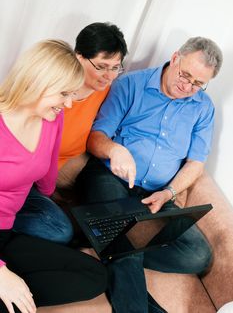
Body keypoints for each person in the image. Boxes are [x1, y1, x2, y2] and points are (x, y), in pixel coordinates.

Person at [75, 36, 223, 312]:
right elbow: (96, 138)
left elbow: (196, 163)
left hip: (156, 195)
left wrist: (169, 193)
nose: (187, 86)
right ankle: (115, 244)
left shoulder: (203, 107)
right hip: (110, 179)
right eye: (185, 75)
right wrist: (114, 150)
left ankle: (104, 240)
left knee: (197, 255)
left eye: (197, 83)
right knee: (128, 240)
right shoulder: (130, 84)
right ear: (176, 57)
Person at [0, 39, 107, 313]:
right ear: (38, 82)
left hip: (7, 229)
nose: (69, 104)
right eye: (64, 94)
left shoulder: (52, 117)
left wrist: (48, 202)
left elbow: (47, 169)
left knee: (96, 276)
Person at [57, 22, 128, 189]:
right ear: (79, 56)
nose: (109, 76)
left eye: (115, 68)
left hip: (79, 163)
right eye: (101, 67)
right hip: (40, 166)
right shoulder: (56, 88)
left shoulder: (108, 91)